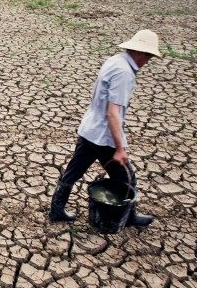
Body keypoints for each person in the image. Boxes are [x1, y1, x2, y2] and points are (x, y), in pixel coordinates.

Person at [49, 29, 161, 226]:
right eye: (149, 57)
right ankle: (129, 216)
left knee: (73, 172)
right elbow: (113, 113)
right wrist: (119, 148)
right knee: (127, 179)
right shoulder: (124, 73)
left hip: (89, 130)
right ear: (142, 53)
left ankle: (56, 210)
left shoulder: (115, 61)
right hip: (104, 136)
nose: (148, 61)